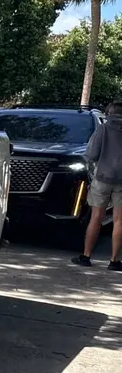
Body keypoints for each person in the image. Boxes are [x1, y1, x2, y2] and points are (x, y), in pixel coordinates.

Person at [74, 101, 122, 269]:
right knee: (119, 220)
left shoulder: (103, 128)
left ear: (109, 113)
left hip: (102, 177)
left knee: (96, 217)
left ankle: (86, 256)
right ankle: (114, 260)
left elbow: (92, 154)